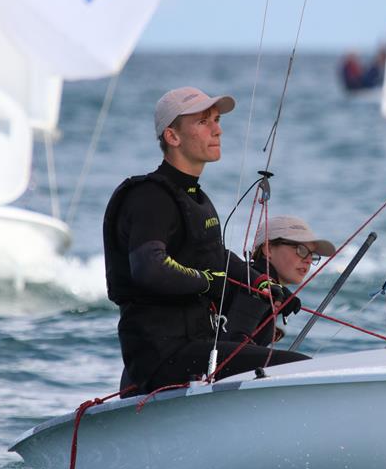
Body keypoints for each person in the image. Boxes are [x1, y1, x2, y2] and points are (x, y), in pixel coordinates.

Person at [103, 86, 309, 396]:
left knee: (279, 348)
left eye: (216, 119)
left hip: (196, 346)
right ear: (173, 137)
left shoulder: (196, 200)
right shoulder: (149, 197)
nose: (218, 129)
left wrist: (263, 283)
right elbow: (149, 268)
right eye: (203, 122)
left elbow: (217, 258)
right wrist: (207, 282)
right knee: (298, 368)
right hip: (161, 355)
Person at [222, 216, 336, 346]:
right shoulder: (255, 289)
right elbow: (231, 349)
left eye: (312, 254)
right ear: (268, 249)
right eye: (301, 250)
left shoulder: (267, 288)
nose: (308, 260)